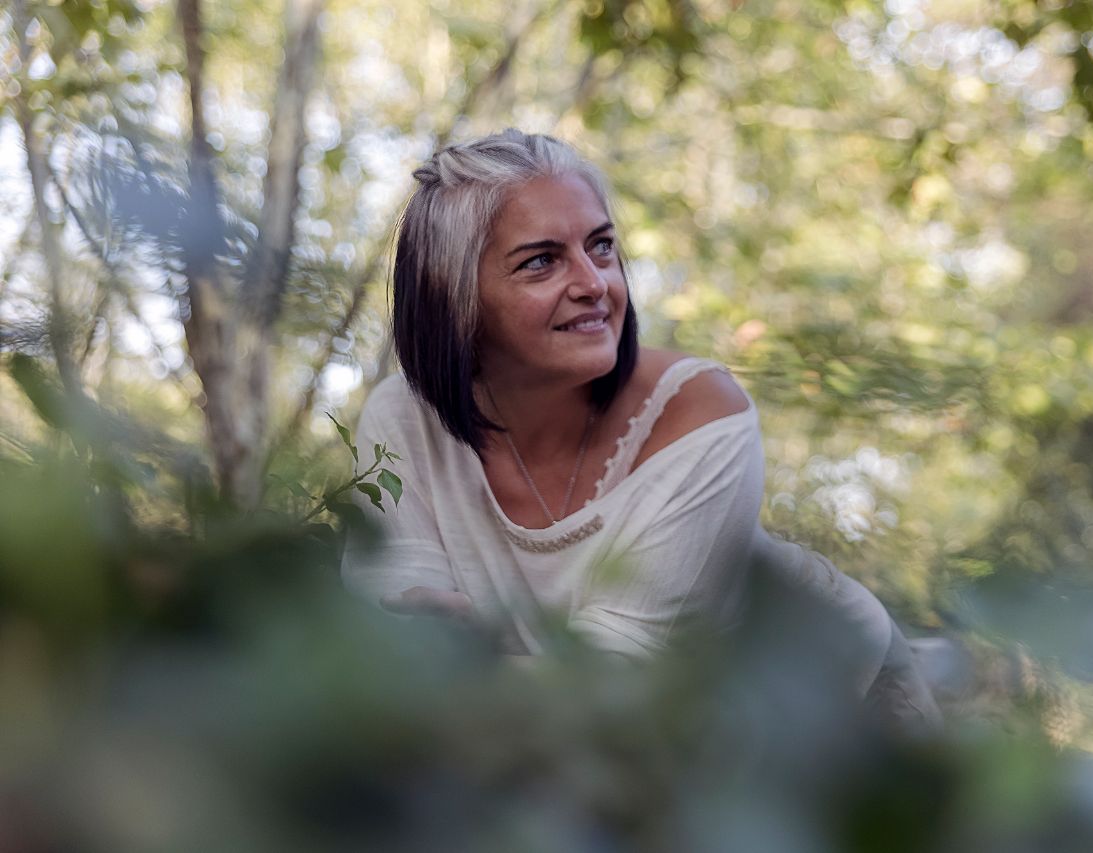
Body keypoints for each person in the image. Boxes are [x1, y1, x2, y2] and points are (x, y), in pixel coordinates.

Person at [340, 129, 939, 727]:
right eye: (541, 261)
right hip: (618, 739)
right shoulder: (404, 418)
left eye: (601, 247)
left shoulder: (702, 417)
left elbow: (611, 684)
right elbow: (389, 615)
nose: (594, 284)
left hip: (836, 705)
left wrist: (450, 656)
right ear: (453, 295)